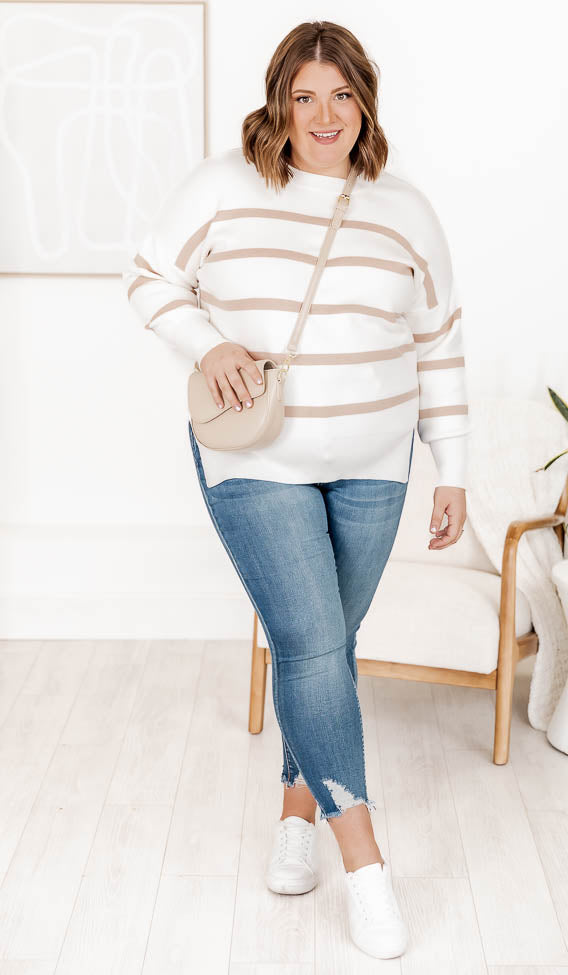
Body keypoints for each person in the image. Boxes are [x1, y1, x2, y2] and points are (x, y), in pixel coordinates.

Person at [122, 19, 470, 961]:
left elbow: (440, 341)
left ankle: (294, 812)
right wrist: (210, 345)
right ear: (278, 101)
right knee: (314, 643)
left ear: (366, 103)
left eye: (342, 95)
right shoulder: (223, 187)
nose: (324, 115)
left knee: (326, 647)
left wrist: (453, 466)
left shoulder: (407, 209)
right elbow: (150, 276)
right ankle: (368, 870)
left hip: (377, 463)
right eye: (305, 96)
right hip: (256, 459)